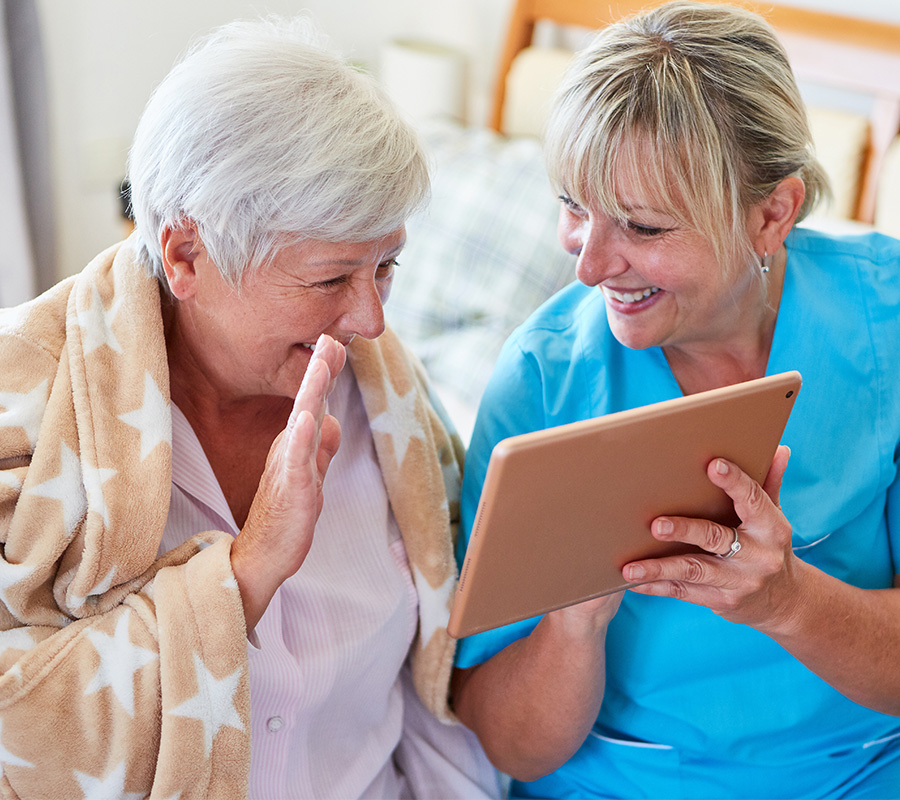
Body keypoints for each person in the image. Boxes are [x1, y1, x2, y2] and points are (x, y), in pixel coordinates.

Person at [0, 15, 500, 799]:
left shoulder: (386, 395)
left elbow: (434, 690)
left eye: (388, 267)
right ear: (185, 255)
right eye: (332, 279)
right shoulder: (21, 409)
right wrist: (246, 572)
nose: (371, 321)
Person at [450, 2, 900, 797]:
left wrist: (787, 601)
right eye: (573, 208)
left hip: (858, 770)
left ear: (771, 214)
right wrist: (572, 620)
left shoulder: (886, 327)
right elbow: (508, 745)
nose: (589, 266)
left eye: (641, 227)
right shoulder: (543, 385)